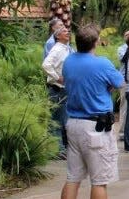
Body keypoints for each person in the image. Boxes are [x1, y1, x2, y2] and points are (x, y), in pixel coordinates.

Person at [61, 24, 124, 199]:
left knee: (73, 177)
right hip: (95, 128)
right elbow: (119, 83)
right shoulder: (102, 63)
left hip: (73, 124)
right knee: (99, 181)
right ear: (95, 42)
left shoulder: (69, 61)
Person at [42, 25, 73, 159]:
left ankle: (61, 148)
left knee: (63, 119)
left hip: (64, 89)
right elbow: (46, 64)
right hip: (57, 89)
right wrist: (57, 77)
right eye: (64, 31)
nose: (68, 32)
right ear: (57, 36)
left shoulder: (66, 49)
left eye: (68, 31)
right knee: (56, 120)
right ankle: (56, 150)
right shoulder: (57, 49)